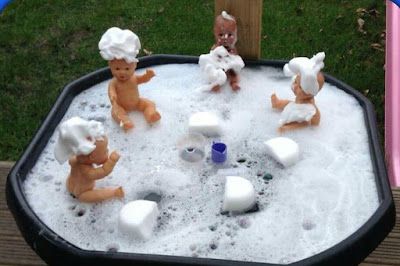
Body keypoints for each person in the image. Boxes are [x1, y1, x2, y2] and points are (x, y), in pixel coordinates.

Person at [99, 27, 161, 131]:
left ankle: (151, 115)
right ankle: (125, 122)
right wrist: (113, 97)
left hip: (137, 102)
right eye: (117, 68)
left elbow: (141, 79)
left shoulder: (133, 78)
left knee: (149, 104)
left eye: (127, 68)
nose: (122, 72)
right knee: (116, 113)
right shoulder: (114, 83)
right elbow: (111, 91)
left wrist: (147, 76)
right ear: (110, 66)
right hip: (121, 106)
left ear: (135, 66)